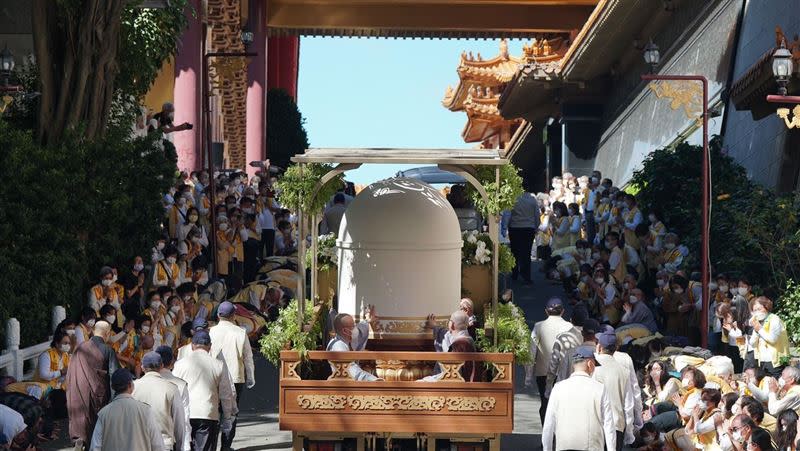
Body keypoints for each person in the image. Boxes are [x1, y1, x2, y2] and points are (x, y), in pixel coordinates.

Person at [542, 347, 616, 451]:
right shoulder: (600, 388)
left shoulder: (558, 388)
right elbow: (609, 426)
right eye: (595, 365)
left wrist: (547, 449)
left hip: (564, 446)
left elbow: (549, 424)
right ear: (590, 364)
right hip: (592, 447)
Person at [173, 331, 237, 451]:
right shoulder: (218, 365)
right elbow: (226, 394)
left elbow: (174, 390)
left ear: (192, 346)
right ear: (210, 346)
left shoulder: (179, 365)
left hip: (184, 414)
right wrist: (227, 417)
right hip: (207, 414)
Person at [65, 320, 120, 449]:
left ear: (93, 331)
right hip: (98, 396)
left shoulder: (79, 349)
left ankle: (80, 441)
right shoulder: (107, 350)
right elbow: (115, 377)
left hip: (77, 393)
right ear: (107, 334)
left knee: (81, 422)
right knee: (97, 429)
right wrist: (114, 401)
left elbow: (71, 373)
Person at [210, 302, 256, 450]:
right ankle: (226, 446)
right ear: (234, 316)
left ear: (218, 315)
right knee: (231, 412)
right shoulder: (240, 333)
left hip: (214, 377)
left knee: (213, 412)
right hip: (235, 377)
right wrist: (250, 377)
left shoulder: (210, 332)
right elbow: (248, 357)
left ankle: (211, 445)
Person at [527, 298, 576, 422]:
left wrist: (528, 375)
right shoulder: (570, 327)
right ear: (563, 311)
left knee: (546, 403)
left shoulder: (539, 326)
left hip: (543, 371)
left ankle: (546, 437)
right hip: (565, 373)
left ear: (546, 311)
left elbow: (532, 350)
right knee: (563, 405)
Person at [90, 368, 164, 451]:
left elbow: (95, 447)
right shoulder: (145, 410)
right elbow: (158, 445)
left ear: (113, 387)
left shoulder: (104, 413)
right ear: (130, 385)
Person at [132, 352, 186, 451]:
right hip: (163, 444)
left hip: (138, 444)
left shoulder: (133, 387)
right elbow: (179, 422)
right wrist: (180, 446)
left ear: (142, 367)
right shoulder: (171, 388)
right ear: (161, 366)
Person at [593, 332, 635, 448]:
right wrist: (629, 431)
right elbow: (628, 405)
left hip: (595, 424)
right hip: (616, 425)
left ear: (599, 346)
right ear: (616, 348)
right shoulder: (624, 372)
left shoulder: (591, 366)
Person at [154, 346, 191, 451]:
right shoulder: (180, 385)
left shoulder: (139, 384)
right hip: (168, 441)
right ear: (172, 362)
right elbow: (184, 417)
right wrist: (184, 444)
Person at [327, 309, 380, 381]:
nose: (355, 328)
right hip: (343, 384)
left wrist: (367, 320)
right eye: (353, 326)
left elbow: (361, 330)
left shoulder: (349, 339)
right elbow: (352, 370)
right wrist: (374, 380)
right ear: (345, 331)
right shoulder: (338, 346)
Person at [749, 296, 789, 378]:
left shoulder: (775, 319)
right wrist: (756, 330)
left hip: (778, 360)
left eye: (759, 309)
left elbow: (773, 339)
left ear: (766, 307)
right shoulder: (758, 322)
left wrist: (759, 329)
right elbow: (752, 343)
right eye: (754, 310)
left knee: (778, 384)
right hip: (763, 361)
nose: (757, 312)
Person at [508, 189, 540, 284]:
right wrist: (536, 226)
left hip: (515, 227)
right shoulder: (532, 200)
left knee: (515, 251)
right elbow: (536, 215)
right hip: (528, 228)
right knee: (527, 252)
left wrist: (506, 226)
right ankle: (527, 276)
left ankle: (514, 273)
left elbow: (508, 214)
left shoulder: (514, 199)